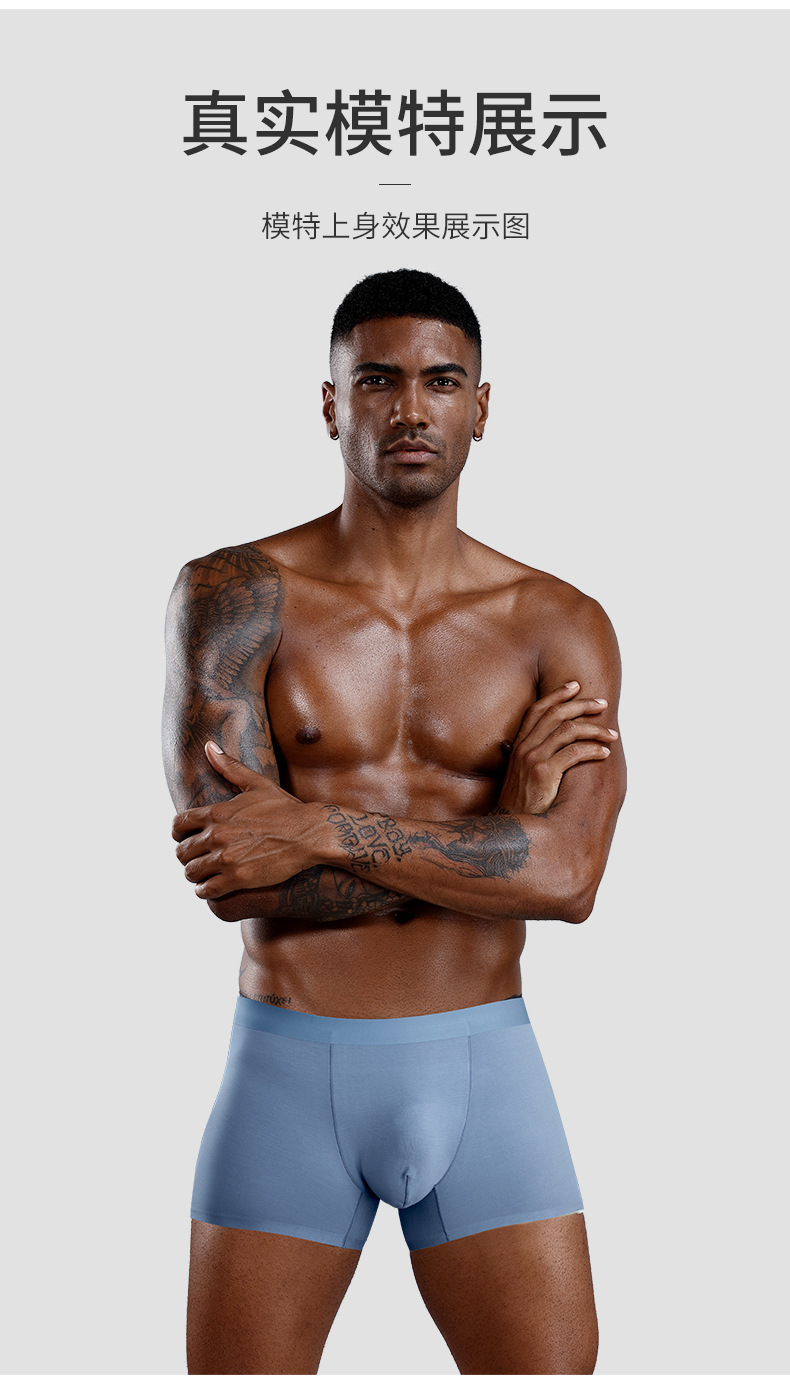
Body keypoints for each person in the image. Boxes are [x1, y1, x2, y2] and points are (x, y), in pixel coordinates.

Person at [163, 268, 626, 1375]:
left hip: (485, 1067)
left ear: (481, 406)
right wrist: (502, 834)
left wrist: (320, 828)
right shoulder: (234, 595)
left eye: (441, 381)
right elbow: (237, 873)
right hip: (286, 1072)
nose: (410, 408)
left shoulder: (558, 622)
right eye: (377, 380)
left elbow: (569, 879)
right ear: (331, 404)